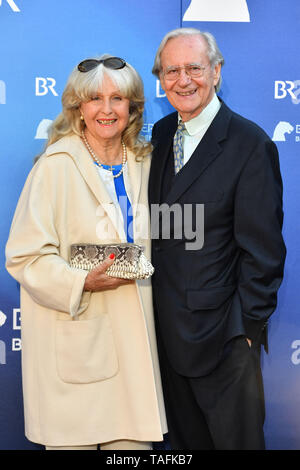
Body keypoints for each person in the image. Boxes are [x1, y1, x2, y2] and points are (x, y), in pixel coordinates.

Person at [6, 54, 167, 450]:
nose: (107, 109)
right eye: (95, 99)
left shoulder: (145, 163)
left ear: (133, 106)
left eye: (118, 98)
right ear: (78, 107)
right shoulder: (55, 166)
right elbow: (25, 257)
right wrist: (82, 281)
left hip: (136, 355)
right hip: (78, 346)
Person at [149, 27, 286, 450]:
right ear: (160, 78)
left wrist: (244, 331)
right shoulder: (160, 132)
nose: (183, 80)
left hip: (224, 342)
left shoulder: (250, 143)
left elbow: (264, 252)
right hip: (165, 339)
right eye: (172, 70)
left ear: (217, 71)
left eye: (194, 67)